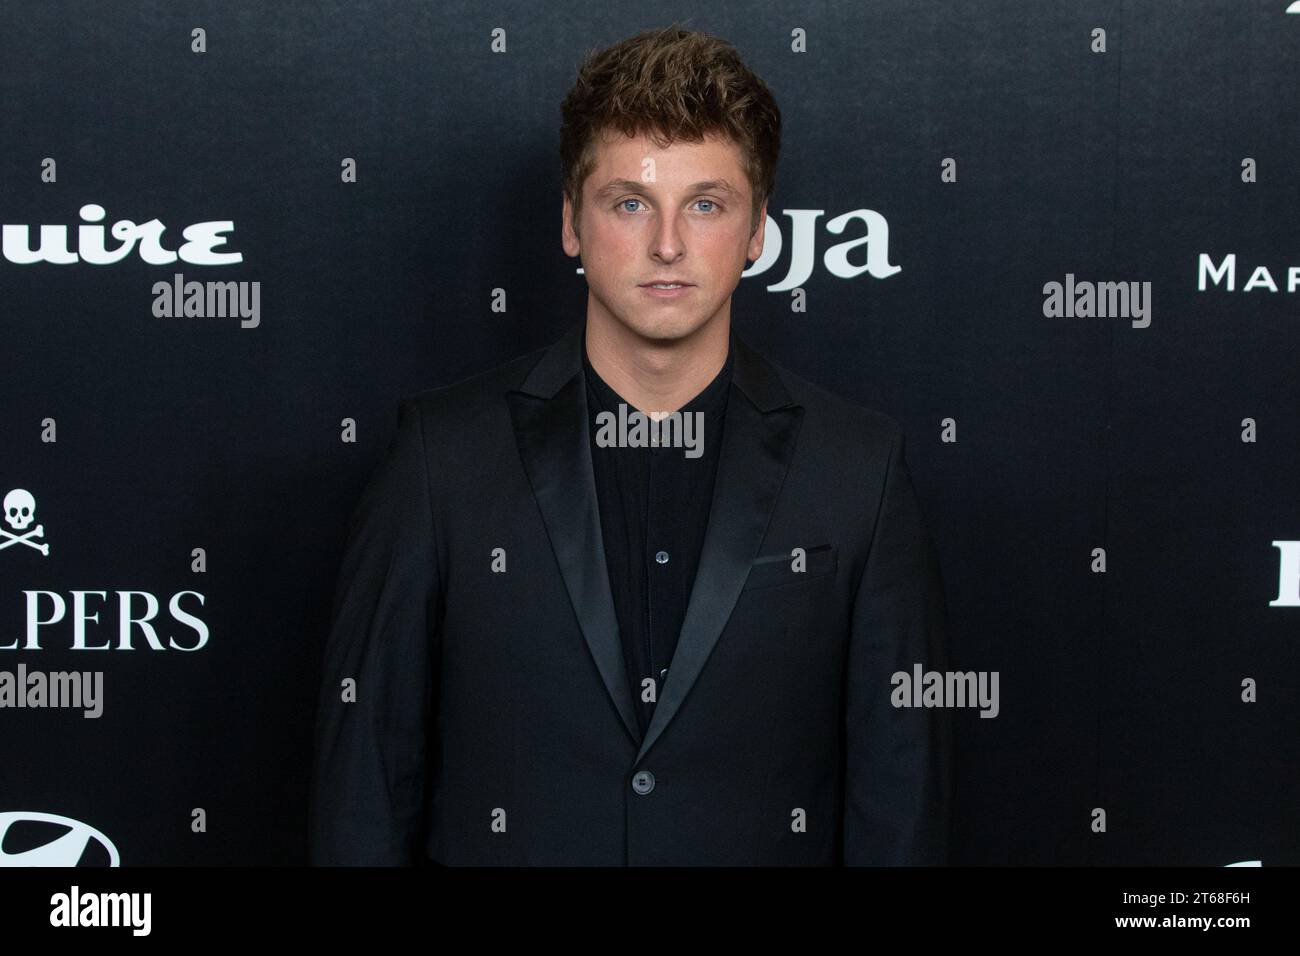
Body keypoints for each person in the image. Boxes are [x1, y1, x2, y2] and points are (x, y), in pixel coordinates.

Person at [308, 23, 952, 866]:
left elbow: (901, 804)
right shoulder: (441, 459)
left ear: (759, 231)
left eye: (707, 205)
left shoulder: (858, 468)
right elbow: (364, 791)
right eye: (629, 203)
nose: (668, 245)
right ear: (572, 223)